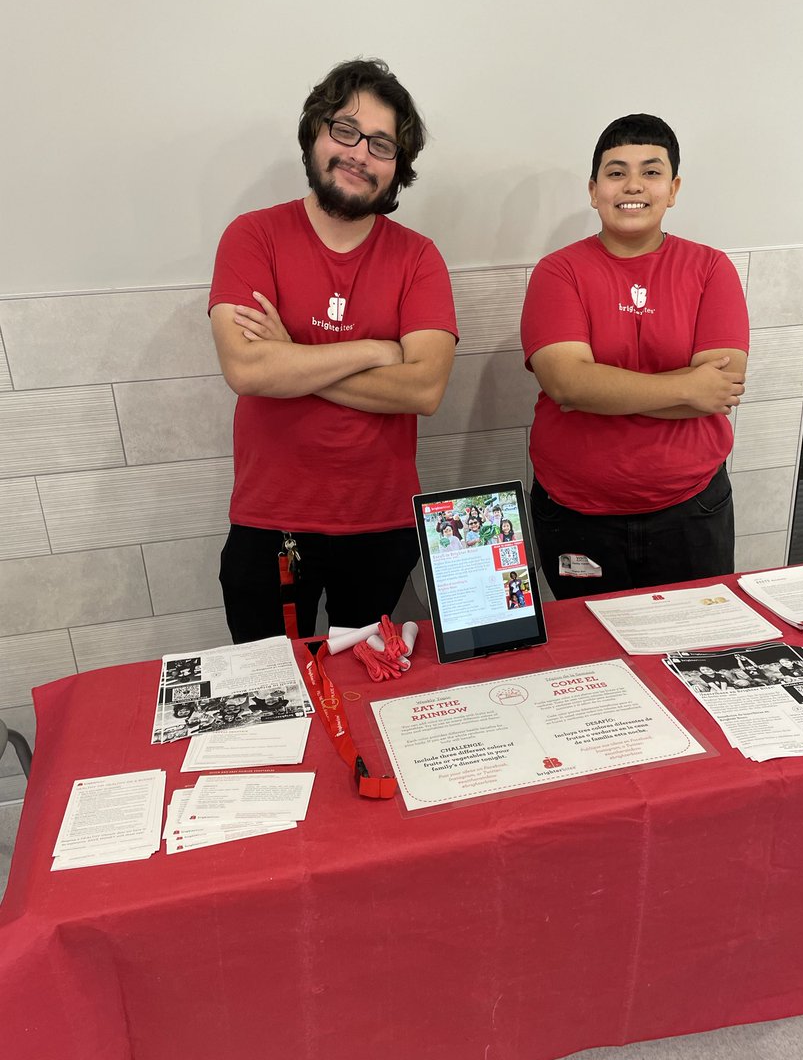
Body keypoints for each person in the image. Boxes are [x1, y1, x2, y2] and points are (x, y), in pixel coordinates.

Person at [209, 58, 458, 642]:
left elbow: (425, 389)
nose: (359, 152)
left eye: (380, 143)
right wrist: (377, 348)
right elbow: (246, 368)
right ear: (315, 134)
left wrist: (291, 358)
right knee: (276, 698)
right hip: (269, 523)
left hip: (380, 523)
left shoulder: (419, 257)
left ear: (398, 167)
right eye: (344, 130)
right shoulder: (253, 236)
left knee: (369, 696)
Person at [520, 114, 749, 600]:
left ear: (673, 188)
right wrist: (687, 385)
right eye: (616, 171)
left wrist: (598, 391)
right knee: (594, 659)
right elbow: (566, 383)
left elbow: (720, 389)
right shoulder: (558, 272)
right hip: (577, 515)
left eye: (651, 171)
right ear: (593, 188)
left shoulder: (711, 268)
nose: (633, 186)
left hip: (692, 511)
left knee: (694, 648)